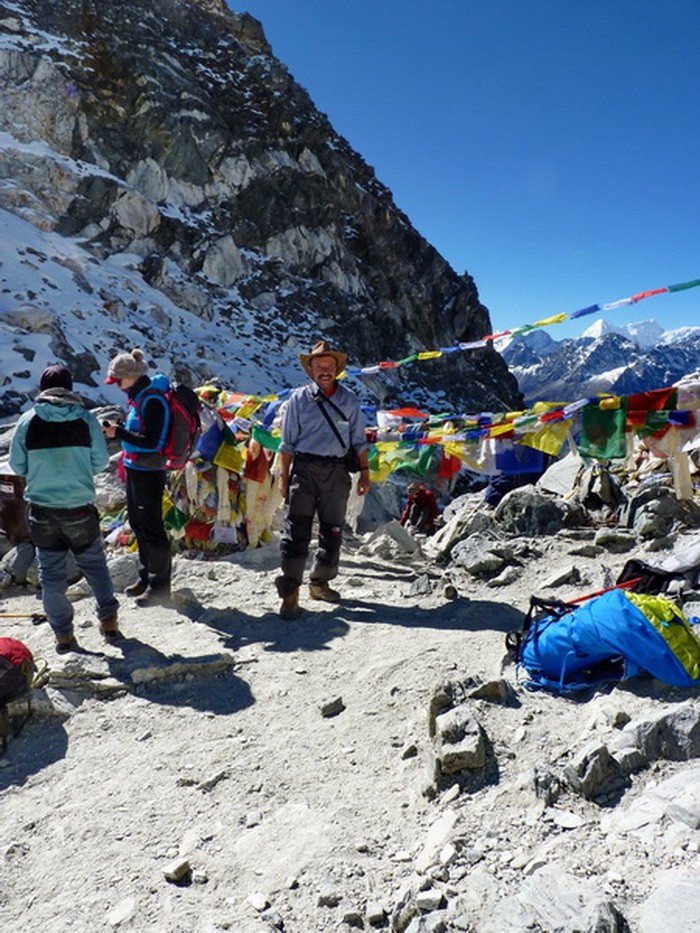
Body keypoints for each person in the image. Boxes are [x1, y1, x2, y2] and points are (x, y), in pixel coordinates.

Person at [9, 365, 120, 652]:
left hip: (42, 510)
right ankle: (108, 622)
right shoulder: (85, 419)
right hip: (79, 508)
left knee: (50, 575)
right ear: (69, 388)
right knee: (94, 565)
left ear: (43, 389)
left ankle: (63, 636)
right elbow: (100, 462)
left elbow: (17, 466)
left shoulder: (28, 420)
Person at [276, 339, 370, 619]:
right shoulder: (298, 400)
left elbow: (359, 441)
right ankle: (290, 593)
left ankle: (320, 583)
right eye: (319, 367)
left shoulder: (349, 400)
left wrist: (365, 473)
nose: (325, 371)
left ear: (337, 369)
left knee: (333, 531)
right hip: (303, 471)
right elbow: (286, 444)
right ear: (311, 370)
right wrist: (283, 478)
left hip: (337, 472)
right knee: (296, 532)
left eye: (329, 366)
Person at [102, 348, 172, 605]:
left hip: (149, 471)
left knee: (151, 527)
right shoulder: (139, 398)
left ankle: (160, 586)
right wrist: (120, 429)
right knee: (138, 523)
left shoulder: (152, 400)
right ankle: (146, 576)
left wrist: (119, 433)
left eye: (118, 380)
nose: (117, 386)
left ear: (131, 377)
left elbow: (152, 441)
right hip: (135, 468)